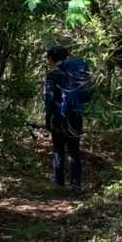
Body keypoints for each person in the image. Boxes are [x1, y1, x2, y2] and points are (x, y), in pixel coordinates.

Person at [43, 45, 84, 193]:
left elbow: (49, 98)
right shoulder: (76, 73)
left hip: (58, 117)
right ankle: (76, 185)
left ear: (51, 59)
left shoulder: (52, 74)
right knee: (74, 150)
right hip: (75, 115)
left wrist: (49, 117)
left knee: (58, 149)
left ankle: (59, 182)